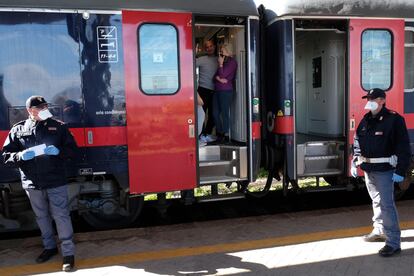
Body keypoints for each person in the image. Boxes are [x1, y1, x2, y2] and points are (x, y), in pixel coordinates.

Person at [2, 96, 78, 271]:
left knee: (61, 216)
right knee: (42, 218)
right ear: (30, 111)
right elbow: (6, 156)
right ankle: (49, 248)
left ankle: (68, 254)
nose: (45, 109)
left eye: (45, 106)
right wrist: (20, 156)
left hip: (55, 180)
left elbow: (72, 151)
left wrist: (59, 151)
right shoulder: (18, 129)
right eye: (40, 107)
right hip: (32, 183)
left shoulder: (59, 127)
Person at [351, 88, 411, 257]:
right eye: (367, 98)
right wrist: (354, 161)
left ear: (382, 100)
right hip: (369, 170)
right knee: (376, 201)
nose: (369, 101)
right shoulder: (366, 120)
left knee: (387, 205)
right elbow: (357, 142)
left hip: (385, 171)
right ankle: (379, 230)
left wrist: (401, 170)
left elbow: (403, 147)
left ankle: (393, 242)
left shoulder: (394, 119)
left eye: (373, 98)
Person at [213, 44, 238, 143]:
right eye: (220, 51)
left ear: (228, 52)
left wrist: (220, 65)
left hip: (226, 91)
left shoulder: (232, 62)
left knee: (224, 113)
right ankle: (220, 132)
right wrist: (219, 78)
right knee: (215, 113)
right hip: (217, 90)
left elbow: (222, 74)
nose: (220, 53)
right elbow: (215, 77)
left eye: (222, 51)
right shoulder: (224, 62)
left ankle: (225, 135)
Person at [196, 40, 218, 142]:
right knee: (201, 114)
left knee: (214, 114)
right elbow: (188, 67)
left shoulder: (219, 59)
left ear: (214, 46)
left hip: (215, 91)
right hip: (203, 90)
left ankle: (206, 134)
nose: (209, 48)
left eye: (211, 46)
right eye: (207, 47)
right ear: (205, 49)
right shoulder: (201, 59)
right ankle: (200, 135)